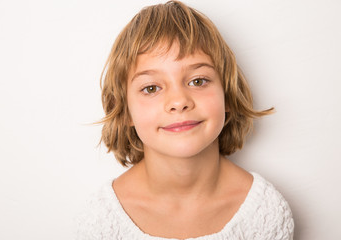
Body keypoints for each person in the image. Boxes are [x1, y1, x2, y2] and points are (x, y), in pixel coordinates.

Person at [76, 1, 294, 239]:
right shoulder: (101, 220)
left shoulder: (264, 212)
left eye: (197, 81)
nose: (179, 101)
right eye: (151, 88)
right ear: (125, 110)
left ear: (228, 94)